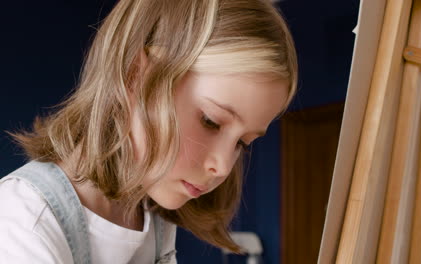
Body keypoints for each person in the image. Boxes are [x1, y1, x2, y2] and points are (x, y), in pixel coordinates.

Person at [0, 0, 297, 263]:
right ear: (135, 76)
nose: (221, 167)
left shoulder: (150, 220)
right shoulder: (22, 221)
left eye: (242, 144)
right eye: (211, 121)